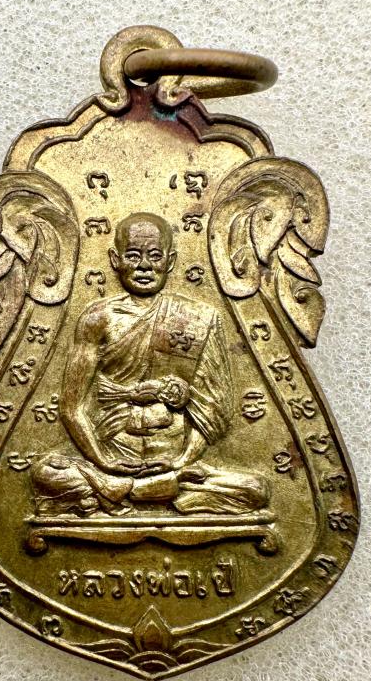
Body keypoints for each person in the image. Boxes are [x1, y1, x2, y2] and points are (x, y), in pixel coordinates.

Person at [31, 212, 269, 516]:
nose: (144, 266)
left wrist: (182, 461)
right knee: (44, 472)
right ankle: (142, 490)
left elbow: (211, 409)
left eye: (154, 256)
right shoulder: (97, 319)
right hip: (111, 452)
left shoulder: (197, 317)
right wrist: (103, 461)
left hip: (174, 458)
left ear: (170, 261)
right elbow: (71, 406)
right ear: (115, 260)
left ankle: (122, 492)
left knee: (255, 490)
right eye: (133, 255)